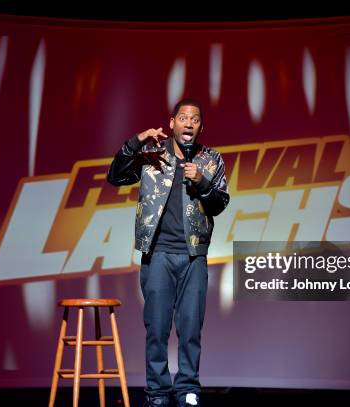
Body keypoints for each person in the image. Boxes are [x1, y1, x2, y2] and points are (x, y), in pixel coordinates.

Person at [107, 99, 230, 407]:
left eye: (195, 120)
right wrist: (137, 141)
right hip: (158, 255)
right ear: (172, 123)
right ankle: (158, 392)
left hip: (193, 257)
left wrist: (200, 181)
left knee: (190, 327)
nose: (189, 123)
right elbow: (116, 176)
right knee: (157, 328)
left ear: (201, 127)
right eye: (184, 118)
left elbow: (219, 203)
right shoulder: (151, 156)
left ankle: (188, 389)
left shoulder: (211, 160)